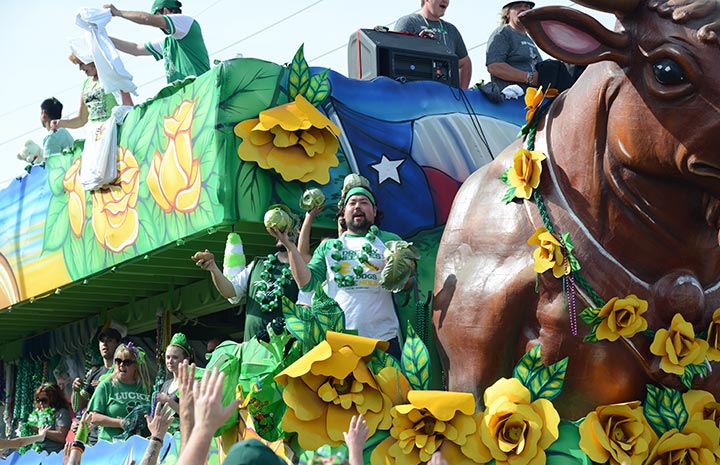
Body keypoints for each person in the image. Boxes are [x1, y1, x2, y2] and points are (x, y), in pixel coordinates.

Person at [273, 185, 406, 359]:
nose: (357, 206)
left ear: (374, 210)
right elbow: (306, 283)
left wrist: (397, 270)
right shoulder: (328, 247)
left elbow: (407, 284)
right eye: (352, 203)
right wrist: (290, 247)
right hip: (339, 342)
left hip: (383, 340)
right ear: (344, 213)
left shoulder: (391, 241)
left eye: (364, 202)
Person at [191, 212, 312, 342]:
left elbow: (305, 311)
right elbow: (230, 291)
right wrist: (213, 268)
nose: (282, 233)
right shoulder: (258, 264)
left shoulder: (306, 270)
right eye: (280, 229)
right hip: (252, 351)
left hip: (285, 353)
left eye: (288, 229)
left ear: (298, 233)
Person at [103, 1, 210, 84]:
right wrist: (104, 37)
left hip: (200, 88)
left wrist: (118, 13)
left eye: (156, 15)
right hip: (184, 98)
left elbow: (147, 19)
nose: (157, 24)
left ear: (166, 11)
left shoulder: (185, 22)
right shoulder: (167, 42)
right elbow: (135, 49)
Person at [393, 0, 472, 88]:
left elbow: (465, 63)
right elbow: (394, 57)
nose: (445, 1)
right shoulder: (409, 22)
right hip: (415, 92)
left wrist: (462, 93)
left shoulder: (451, 30)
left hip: (444, 95)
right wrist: (418, 42)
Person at [86, 342, 152, 443]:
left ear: (136, 366)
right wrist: (121, 423)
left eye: (127, 362)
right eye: (118, 361)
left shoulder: (146, 387)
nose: (121, 365)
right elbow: (93, 417)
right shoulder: (106, 385)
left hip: (140, 445)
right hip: (112, 445)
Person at [50, 54, 120, 132]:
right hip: (95, 134)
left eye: (81, 64)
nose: (80, 69)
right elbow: (81, 119)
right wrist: (61, 123)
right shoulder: (86, 83)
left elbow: (126, 106)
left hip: (113, 131)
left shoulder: (111, 77)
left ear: (91, 60)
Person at [485, 1, 541, 91]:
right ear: (507, 13)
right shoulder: (503, 33)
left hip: (532, 98)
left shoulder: (529, 39)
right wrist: (528, 77)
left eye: (527, 6)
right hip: (511, 100)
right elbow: (494, 66)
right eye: (518, 6)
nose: (523, 9)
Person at [28, 382, 72, 454]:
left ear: (53, 399)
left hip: (53, 455)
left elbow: (61, 437)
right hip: (37, 454)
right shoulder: (37, 414)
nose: (41, 403)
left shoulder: (61, 413)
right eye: (38, 400)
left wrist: (39, 430)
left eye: (44, 400)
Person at [156, 332, 194, 414]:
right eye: (168, 357)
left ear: (186, 359)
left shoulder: (191, 383)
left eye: (175, 357)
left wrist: (167, 400)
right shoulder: (166, 384)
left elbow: (190, 413)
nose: (170, 361)